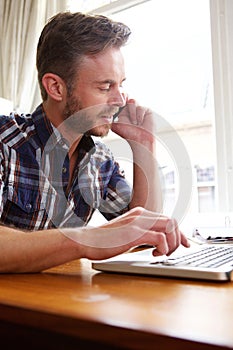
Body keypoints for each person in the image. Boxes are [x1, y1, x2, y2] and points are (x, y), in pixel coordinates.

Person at [0, 12, 190, 273]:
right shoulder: (5, 142)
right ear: (56, 87)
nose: (120, 100)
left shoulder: (99, 160)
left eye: (120, 85)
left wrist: (143, 145)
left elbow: (142, 231)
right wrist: (87, 239)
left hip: (63, 302)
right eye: (105, 87)